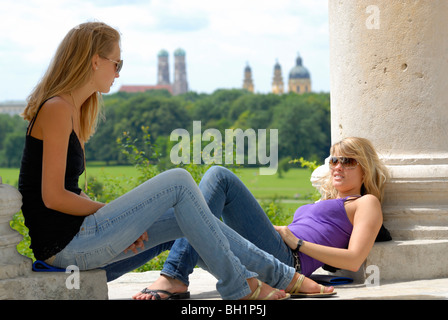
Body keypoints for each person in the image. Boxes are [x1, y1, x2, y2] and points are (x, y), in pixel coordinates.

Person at [18, 21, 333, 300]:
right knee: (179, 181)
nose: (118, 72)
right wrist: (115, 216)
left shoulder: (73, 109)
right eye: (117, 63)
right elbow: (53, 196)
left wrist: (124, 224)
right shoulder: (57, 108)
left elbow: (69, 190)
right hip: (68, 248)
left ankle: (283, 277)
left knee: (191, 216)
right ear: (94, 61)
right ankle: (241, 286)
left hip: (84, 240)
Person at [130, 136, 389, 300]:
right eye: (334, 160)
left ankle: (174, 276)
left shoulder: (366, 203)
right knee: (179, 222)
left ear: (365, 169)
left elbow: (355, 260)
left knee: (219, 177)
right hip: (276, 249)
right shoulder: (325, 201)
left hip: (290, 259)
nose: (338, 167)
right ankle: (102, 267)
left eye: (348, 161)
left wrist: (297, 243)